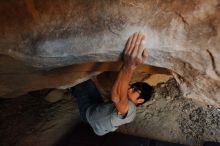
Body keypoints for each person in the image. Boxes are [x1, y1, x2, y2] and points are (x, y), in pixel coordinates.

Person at [71, 32, 154, 136]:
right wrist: (95, 81)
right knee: (88, 82)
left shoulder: (131, 110)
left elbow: (117, 98)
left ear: (140, 100)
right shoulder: (124, 103)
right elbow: (111, 98)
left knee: (78, 88)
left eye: (135, 90)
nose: (130, 89)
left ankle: (73, 89)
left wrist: (129, 65)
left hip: (88, 114)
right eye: (132, 86)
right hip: (98, 107)